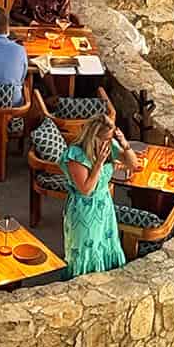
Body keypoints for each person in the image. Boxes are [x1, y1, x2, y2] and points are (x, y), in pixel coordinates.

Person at [58, 116, 140, 279]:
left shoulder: (110, 145)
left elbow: (134, 165)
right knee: (86, 251)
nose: (107, 143)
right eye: (104, 139)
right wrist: (99, 164)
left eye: (110, 139)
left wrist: (124, 144)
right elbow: (86, 189)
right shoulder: (76, 155)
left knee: (105, 246)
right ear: (92, 136)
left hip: (104, 207)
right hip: (84, 211)